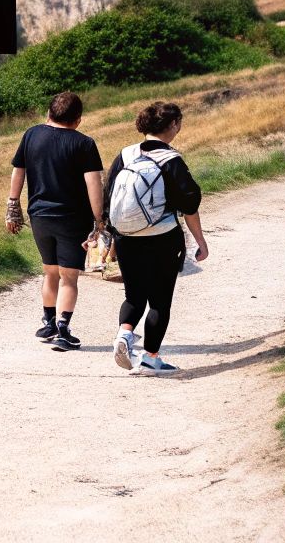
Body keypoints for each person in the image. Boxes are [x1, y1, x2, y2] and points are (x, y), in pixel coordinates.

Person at [107, 101, 208, 373]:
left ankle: (124, 335)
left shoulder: (125, 155)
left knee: (133, 295)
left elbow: (110, 198)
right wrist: (200, 242)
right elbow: (190, 203)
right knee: (160, 301)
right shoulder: (171, 160)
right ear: (173, 125)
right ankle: (151, 358)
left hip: (126, 237)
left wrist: (111, 236)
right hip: (162, 237)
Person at [6, 91, 106, 351]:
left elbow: (19, 171)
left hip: (39, 215)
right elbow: (93, 183)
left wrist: (12, 206)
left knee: (50, 271)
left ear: (49, 114)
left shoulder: (32, 135)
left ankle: (48, 322)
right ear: (78, 120)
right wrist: (100, 220)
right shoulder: (84, 143)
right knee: (69, 277)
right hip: (72, 219)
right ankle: (63, 329)